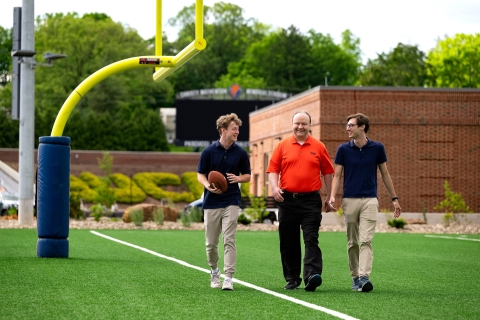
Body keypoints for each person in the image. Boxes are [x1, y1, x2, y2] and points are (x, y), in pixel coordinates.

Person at [327, 113, 402, 293]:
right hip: (349, 199)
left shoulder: (377, 148)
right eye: (347, 125)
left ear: (362, 127)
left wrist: (395, 199)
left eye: (351, 125)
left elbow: (385, 174)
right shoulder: (343, 149)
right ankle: (354, 277)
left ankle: (364, 276)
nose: (348, 128)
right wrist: (332, 196)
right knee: (352, 241)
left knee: (366, 239)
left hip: (370, 199)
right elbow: (337, 175)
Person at [266, 110, 334, 292]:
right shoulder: (282, 146)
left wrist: (329, 195)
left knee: (311, 238)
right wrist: (274, 188)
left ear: (310, 125)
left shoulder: (319, 146)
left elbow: (328, 172)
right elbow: (273, 170)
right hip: (287, 199)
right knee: (288, 241)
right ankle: (292, 278)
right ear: (292, 124)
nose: (300, 126)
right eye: (297, 123)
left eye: (304, 123)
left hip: (311, 200)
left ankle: (312, 276)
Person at [197, 113, 251, 291]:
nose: (237, 132)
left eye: (238, 129)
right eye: (234, 129)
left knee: (229, 239)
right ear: (223, 130)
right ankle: (214, 271)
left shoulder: (241, 153)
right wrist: (207, 185)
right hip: (212, 202)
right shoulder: (208, 152)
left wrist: (238, 178)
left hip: (231, 201)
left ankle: (228, 277)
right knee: (211, 243)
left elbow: (248, 176)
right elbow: (201, 174)